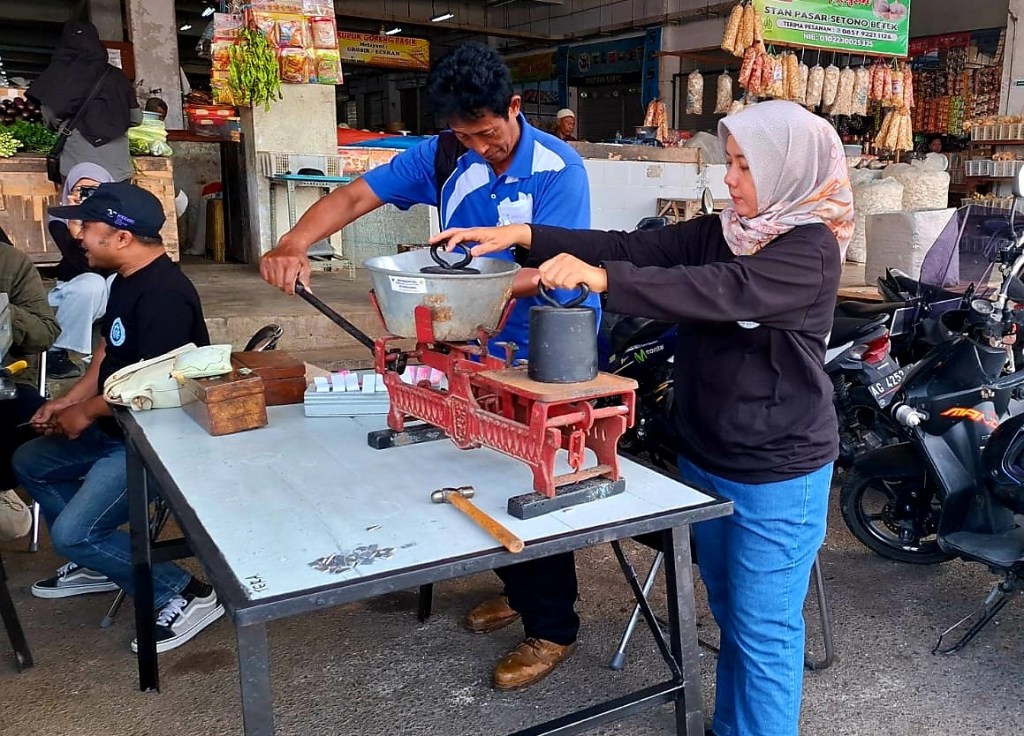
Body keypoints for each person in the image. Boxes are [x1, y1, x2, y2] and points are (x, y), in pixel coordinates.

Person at [433, 100, 853, 736]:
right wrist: (525, 238)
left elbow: (719, 290)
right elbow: (633, 246)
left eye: (743, 166)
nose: (729, 179)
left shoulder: (810, 248)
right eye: (729, 163)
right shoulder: (728, 228)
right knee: (731, 610)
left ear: (789, 170)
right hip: (705, 453)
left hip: (778, 469)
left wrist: (604, 281)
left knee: (764, 628)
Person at [260, 42, 596, 690]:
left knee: (534, 480)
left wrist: (465, 292)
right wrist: (293, 241)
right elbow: (357, 196)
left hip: (545, 348)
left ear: (516, 109)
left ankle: (552, 626)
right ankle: (519, 586)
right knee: (477, 463)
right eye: (464, 135)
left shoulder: (560, 168)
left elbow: (555, 270)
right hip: (468, 340)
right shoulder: (445, 154)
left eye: (488, 134)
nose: (478, 147)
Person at [12, 182, 223, 654]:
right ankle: (99, 564)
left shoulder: (165, 295)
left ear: (123, 237)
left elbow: (158, 386)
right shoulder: (125, 278)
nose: (77, 235)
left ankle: (186, 594)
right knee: (30, 461)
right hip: (118, 426)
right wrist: (71, 401)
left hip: (155, 441)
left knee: (73, 533)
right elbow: (109, 351)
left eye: (87, 226)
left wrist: (86, 413)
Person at [27, 20, 141, 183]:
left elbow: (51, 119)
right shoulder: (118, 77)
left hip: (76, 165)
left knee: (79, 206)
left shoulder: (58, 77)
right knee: (115, 207)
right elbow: (136, 118)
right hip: (117, 167)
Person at [0, 239, 60, 541]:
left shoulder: (10, 262)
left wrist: (5, 311)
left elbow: (45, 334)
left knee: (26, 413)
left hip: (6, 381)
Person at [45, 163, 116, 379]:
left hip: (106, 295)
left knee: (117, 280)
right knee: (91, 283)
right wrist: (76, 220)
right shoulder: (59, 220)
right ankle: (55, 352)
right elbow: (80, 261)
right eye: (79, 189)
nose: (86, 195)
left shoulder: (117, 219)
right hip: (75, 291)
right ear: (68, 192)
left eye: (93, 190)